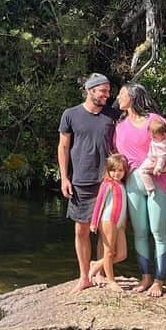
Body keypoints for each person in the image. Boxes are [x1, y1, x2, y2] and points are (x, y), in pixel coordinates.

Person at [115, 83, 166, 298]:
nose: (118, 97)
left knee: (159, 232)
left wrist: (163, 164)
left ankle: (159, 281)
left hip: (158, 180)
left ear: (132, 97)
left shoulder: (154, 120)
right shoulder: (120, 125)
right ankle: (145, 278)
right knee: (140, 232)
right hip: (133, 182)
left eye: (122, 94)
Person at [58, 73, 118, 290]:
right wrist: (64, 177)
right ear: (90, 90)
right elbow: (63, 147)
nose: (107, 95)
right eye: (103, 91)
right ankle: (84, 277)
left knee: (106, 230)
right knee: (81, 230)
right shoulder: (70, 114)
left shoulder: (113, 114)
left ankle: (100, 273)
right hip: (81, 180)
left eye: (109, 91)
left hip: (108, 181)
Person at [88, 153, 129, 289]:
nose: (116, 173)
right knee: (109, 252)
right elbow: (99, 203)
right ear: (108, 170)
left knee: (122, 254)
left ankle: (97, 264)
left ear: (125, 171)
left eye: (120, 170)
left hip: (120, 223)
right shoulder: (107, 183)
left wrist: (124, 222)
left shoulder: (122, 184)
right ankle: (111, 280)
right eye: (113, 170)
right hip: (108, 220)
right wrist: (94, 222)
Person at [131, 116, 166, 193]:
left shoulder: (162, 145)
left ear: (163, 135)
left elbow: (161, 157)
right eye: (151, 135)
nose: (152, 137)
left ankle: (149, 187)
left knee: (141, 170)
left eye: (154, 136)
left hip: (154, 159)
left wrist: (158, 168)